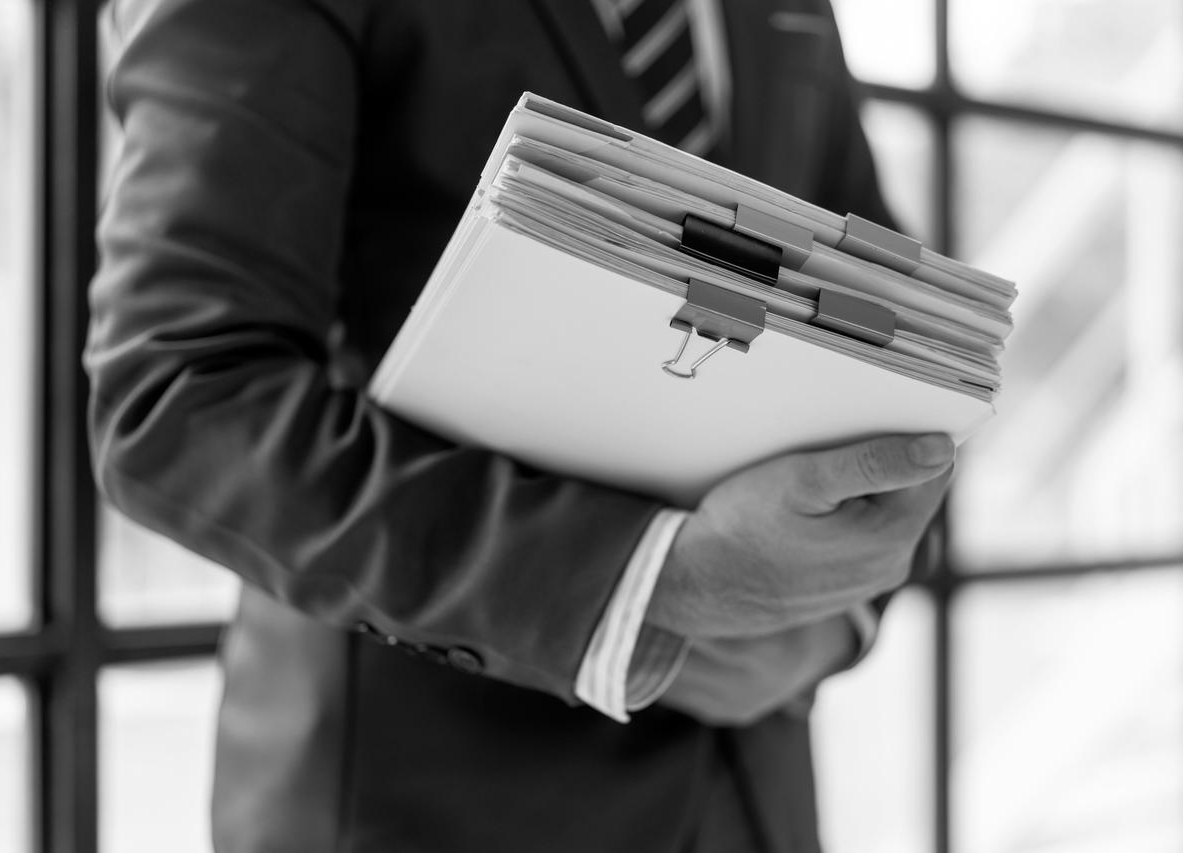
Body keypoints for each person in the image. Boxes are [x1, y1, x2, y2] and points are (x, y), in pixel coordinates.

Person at [86, 0, 953, 851]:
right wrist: (636, 584)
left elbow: (904, 346)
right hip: (416, 801)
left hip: (755, 794)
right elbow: (180, 396)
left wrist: (828, 618)